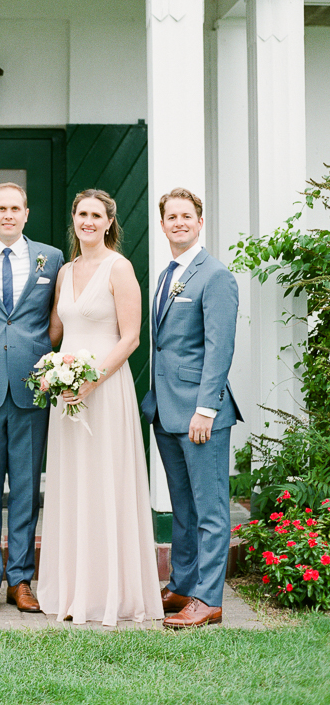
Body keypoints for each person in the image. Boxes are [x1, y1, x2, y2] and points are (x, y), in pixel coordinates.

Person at [37, 189, 162, 626]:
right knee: (73, 482)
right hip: (66, 393)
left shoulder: (119, 268)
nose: (88, 221)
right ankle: (75, 589)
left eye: (96, 215)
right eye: (81, 213)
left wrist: (91, 380)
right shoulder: (65, 271)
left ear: (109, 222)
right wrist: (48, 371)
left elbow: (130, 338)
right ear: (73, 219)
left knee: (106, 480)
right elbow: (55, 330)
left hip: (105, 389)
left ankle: (111, 591)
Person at [141, 187, 242, 629]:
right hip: (166, 410)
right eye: (171, 216)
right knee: (182, 506)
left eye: (187, 216)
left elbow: (220, 348)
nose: (178, 222)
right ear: (162, 224)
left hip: (201, 413)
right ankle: (182, 585)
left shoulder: (215, 275)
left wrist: (207, 408)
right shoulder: (167, 274)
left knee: (211, 508)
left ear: (200, 222)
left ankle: (208, 599)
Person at [0, 183, 64, 615]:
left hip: (31, 385)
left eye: (15, 208)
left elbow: (56, 319)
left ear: (27, 213)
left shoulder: (52, 258)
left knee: (26, 488)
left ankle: (21, 579)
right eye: (0, 208)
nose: (7, 214)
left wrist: (44, 359)